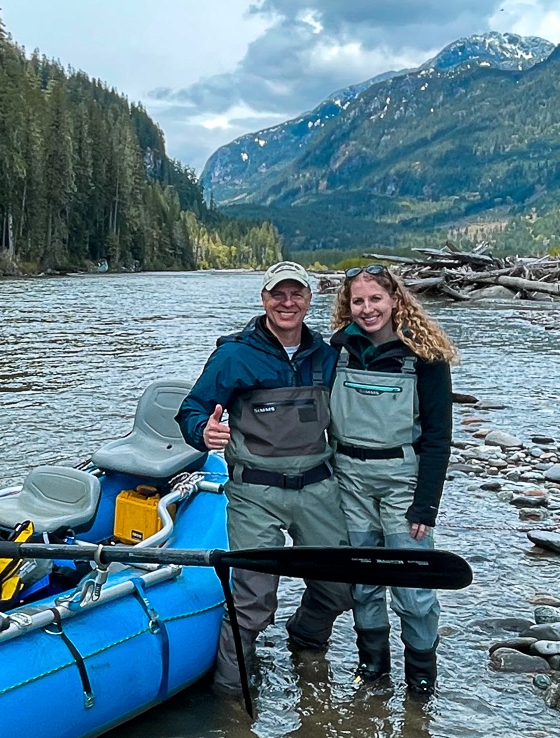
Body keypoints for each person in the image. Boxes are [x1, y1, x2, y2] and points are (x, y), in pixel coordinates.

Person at [177, 261, 350, 698]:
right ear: (264, 299)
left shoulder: (329, 356)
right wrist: (204, 431)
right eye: (278, 294)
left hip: (319, 487)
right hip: (255, 492)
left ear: (310, 300)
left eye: (296, 294)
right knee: (252, 603)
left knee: (340, 589)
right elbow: (192, 409)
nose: (287, 303)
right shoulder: (234, 354)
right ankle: (233, 700)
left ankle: (306, 638)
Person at [295, 263, 457, 699]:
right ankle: (373, 668)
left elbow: (439, 438)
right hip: (349, 480)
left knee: (413, 588)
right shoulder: (338, 350)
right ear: (347, 306)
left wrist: (427, 505)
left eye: (375, 299)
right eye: (358, 301)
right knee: (364, 581)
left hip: (403, 483)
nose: (367, 309)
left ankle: (421, 675)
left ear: (395, 300)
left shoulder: (425, 358)